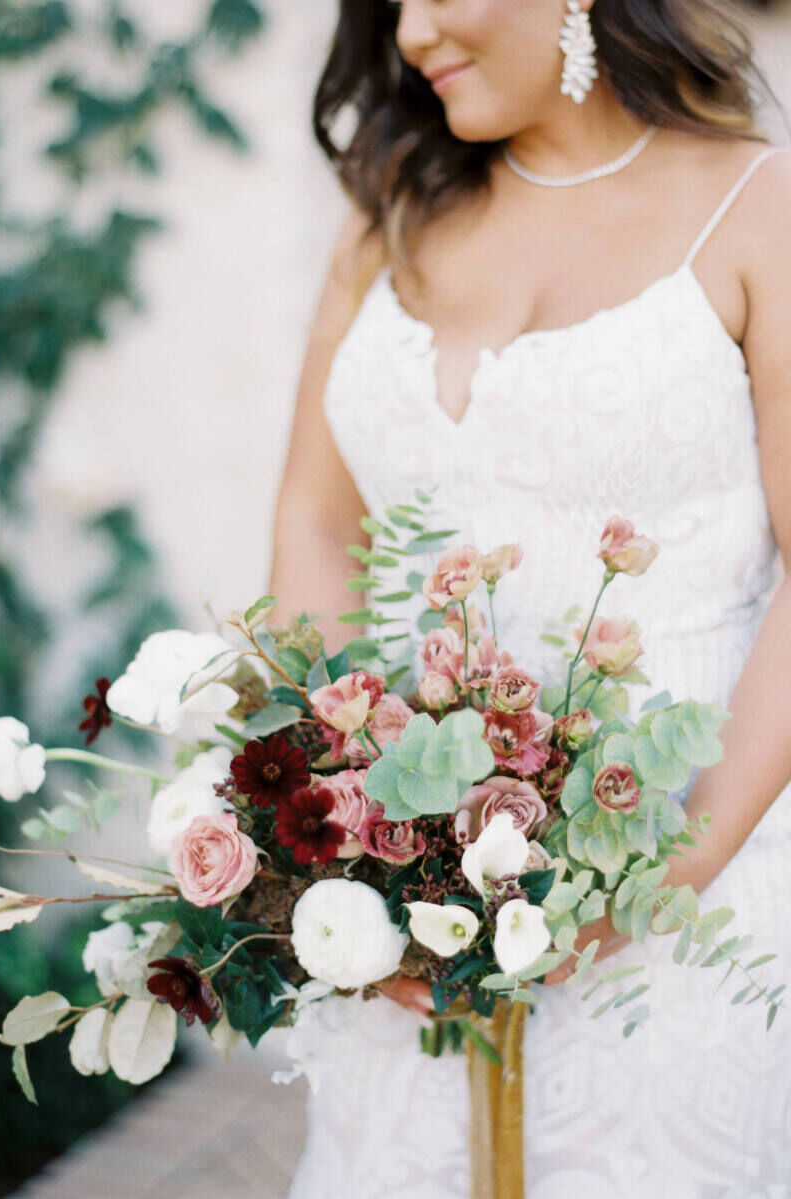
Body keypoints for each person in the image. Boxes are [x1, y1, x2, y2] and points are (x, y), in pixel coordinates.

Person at [268, 0, 791, 1194]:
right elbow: (316, 513)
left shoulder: (760, 208)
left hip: (686, 896)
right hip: (414, 913)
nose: (407, 33)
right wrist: (336, 832)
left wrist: (657, 882)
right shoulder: (391, 216)